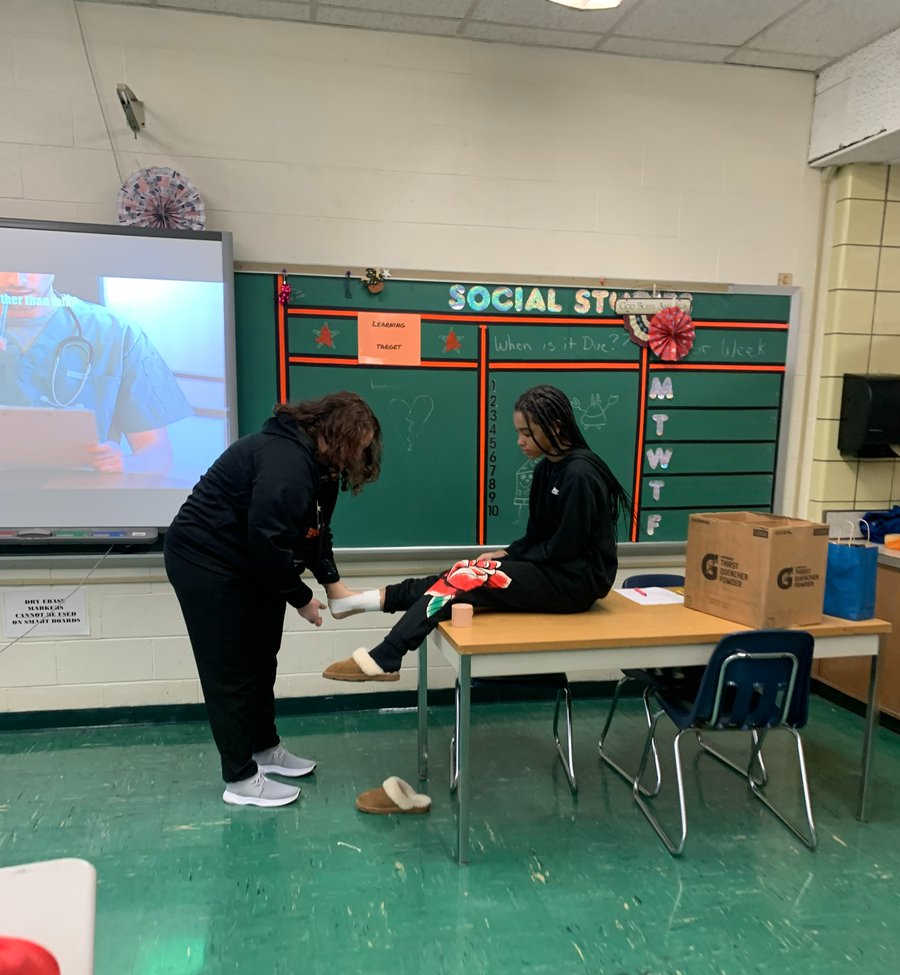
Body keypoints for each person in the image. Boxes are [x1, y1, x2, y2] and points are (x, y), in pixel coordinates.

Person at [323, 383, 629, 683]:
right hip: (555, 569)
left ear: (557, 428)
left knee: (468, 576)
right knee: (461, 571)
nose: (520, 441)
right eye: (518, 432)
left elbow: (563, 548)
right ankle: (357, 602)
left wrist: (503, 562)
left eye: (526, 433)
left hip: (575, 585)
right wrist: (508, 554)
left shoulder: (580, 474)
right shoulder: (546, 469)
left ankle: (386, 655)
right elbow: (539, 539)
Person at [165, 392, 382, 808]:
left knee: (263, 658)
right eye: (357, 445)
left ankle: (265, 749)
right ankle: (240, 779)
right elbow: (267, 543)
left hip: (248, 562)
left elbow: (315, 531)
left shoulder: (320, 468)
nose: (361, 454)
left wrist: (333, 585)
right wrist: (302, 598)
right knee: (231, 671)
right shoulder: (285, 462)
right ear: (335, 435)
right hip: (207, 562)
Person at [0, 272, 192, 474]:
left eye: (29, 268)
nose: (16, 281)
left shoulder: (116, 332)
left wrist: (124, 466)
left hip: (83, 498)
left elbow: (156, 454)